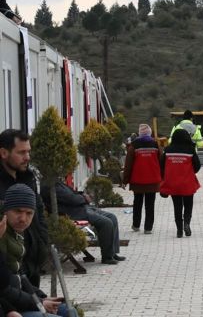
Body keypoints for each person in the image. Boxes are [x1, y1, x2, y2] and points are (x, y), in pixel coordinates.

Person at [0, 184, 78, 317]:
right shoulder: (3, 236)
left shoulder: (19, 236)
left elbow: (20, 279)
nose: (23, 218)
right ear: (5, 211)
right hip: (9, 307)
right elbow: (5, 288)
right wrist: (38, 302)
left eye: (29, 213)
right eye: (18, 211)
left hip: (18, 302)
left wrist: (41, 297)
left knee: (68, 311)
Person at [0, 129, 48, 288]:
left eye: (28, 151)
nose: (27, 157)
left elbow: (39, 213)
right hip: (9, 271)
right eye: (21, 152)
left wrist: (42, 243)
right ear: (4, 153)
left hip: (32, 262)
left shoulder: (29, 178)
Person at [41, 181, 125, 265]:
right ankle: (107, 257)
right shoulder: (49, 186)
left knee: (112, 217)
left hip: (82, 208)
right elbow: (72, 199)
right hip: (73, 214)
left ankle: (113, 253)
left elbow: (73, 193)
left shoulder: (57, 182)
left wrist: (82, 195)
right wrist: (84, 198)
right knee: (106, 223)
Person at [160, 129, 201, 238]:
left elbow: (162, 166)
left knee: (177, 206)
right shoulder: (190, 150)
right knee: (188, 204)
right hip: (187, 182)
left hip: (173, 183)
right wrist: (190, 171)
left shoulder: (168, 150)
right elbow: (197, 166)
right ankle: (186, 223)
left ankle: (179, 230)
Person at [122, 124, 162, 234]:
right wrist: (162, 178)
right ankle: (148, 228)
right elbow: (161, 161)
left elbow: (128, 165)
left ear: (139, 133)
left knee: (137, 203)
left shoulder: (134, 146)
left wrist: (125, 180)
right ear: (149, 133)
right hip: (152, 180)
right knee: (150, 204)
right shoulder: (155, 144)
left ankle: (136, 225)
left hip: (137, 181)